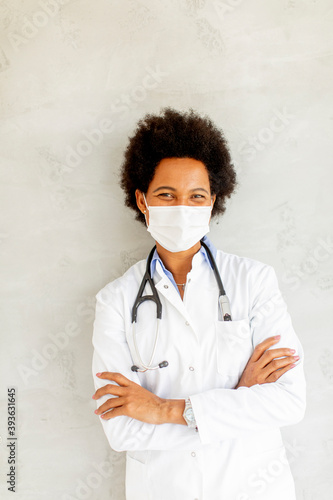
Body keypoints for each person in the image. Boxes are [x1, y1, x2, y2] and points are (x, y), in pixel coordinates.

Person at [91, 108, 306, 500]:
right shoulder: (116, 302)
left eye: (196, 196)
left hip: (254, 486)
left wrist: (162, 410)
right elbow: (121, 430)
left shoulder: (254, 282)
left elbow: (289, 401)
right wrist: (240, 399)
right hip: (165, 488)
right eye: (166, 195)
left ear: (212, 203)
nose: (181, 208)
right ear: (142, 200)